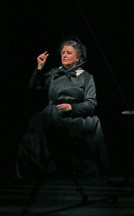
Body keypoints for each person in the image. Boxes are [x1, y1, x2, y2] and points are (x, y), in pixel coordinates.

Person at [16, 36, 109, 179]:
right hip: (54, 113)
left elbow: (91, 103)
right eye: (63, 52)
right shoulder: (54, 73)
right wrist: (39, 68)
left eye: (69, 53)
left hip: (76, 115)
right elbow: (34, 88)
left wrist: (72, 107)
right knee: (38, 123)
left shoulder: (86, 77)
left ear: (78, 58)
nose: (64, 55)